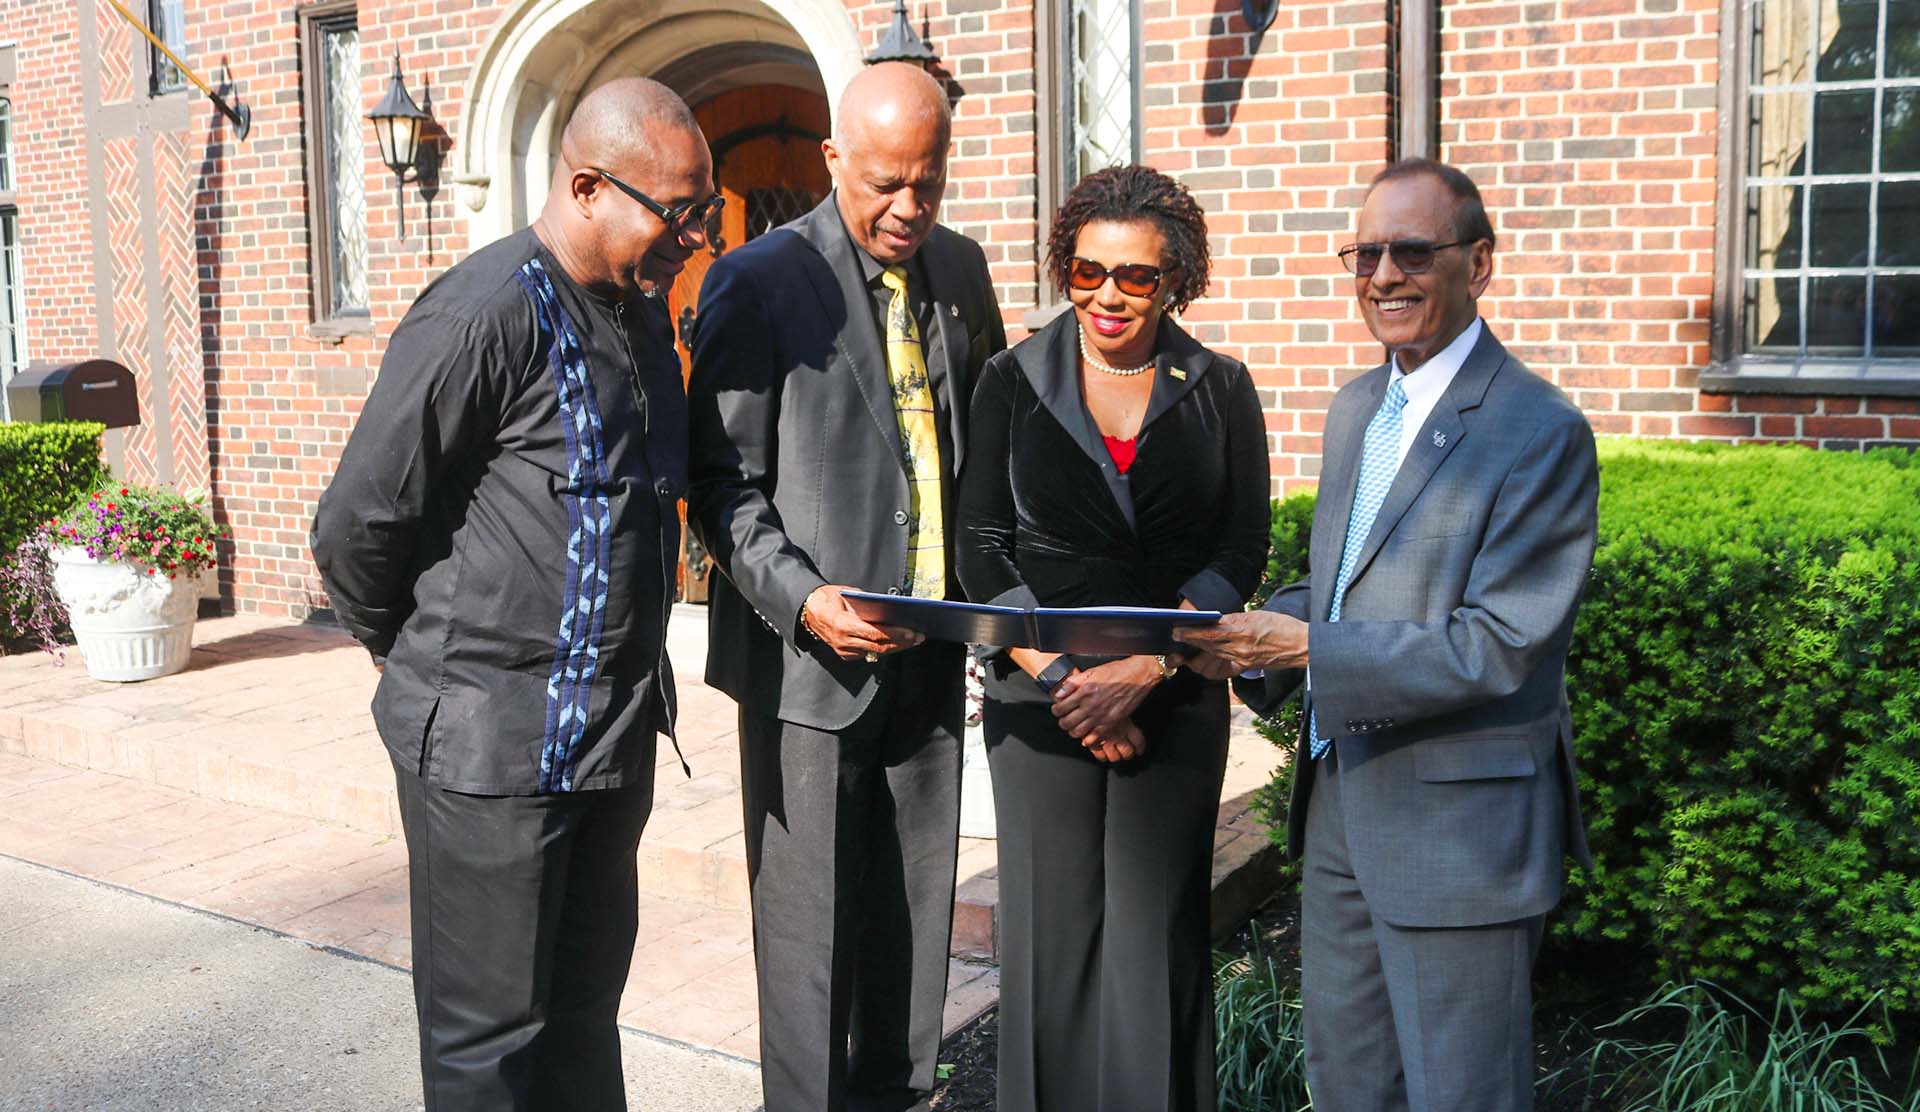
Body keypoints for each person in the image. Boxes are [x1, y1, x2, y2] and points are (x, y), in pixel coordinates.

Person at [310, 78, 717, 1111]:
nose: (695, 235)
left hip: (608, 744)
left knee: (582, 1020)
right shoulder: (483, 310)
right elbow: (358, 523)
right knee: (491, 1047)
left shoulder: (635, 316)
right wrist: (434, 665)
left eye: (703, 212)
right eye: (679, 212)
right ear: (586, 186)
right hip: (491, 758)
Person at [1176, 158, 1599, 1112]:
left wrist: (1306, 650)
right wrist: (1241, 631)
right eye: (1364, 253)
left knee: (1460, 1095)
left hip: (1460, 836)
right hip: (1340, 813)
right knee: (1349, 1086)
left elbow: (1498, 644)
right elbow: (1343, 587)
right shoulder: (1359, 408)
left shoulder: (1540, 429)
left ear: (1479, 264)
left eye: (1412, 250)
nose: (1383, 275)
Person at [685, 62, 1006, 1112]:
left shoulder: (961, 268)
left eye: (929, 180)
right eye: (883, 184)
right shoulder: (760, 279)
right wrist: (807, 597)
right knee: (812, 937)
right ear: (833, 160)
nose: (909, 207)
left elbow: (984, 455)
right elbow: (720, 483)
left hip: (931, 658)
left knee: (914, 921)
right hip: (805, 670)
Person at [954, 164, 1271, 1112]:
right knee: (1050, 943)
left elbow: (1239, 547)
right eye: (1088, 271)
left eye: (1135, 276)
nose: (1107, 296)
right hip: (1037, 697)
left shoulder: (1222, 388)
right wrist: (1064, 681)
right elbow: (980, 549)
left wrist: (1148, 667)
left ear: (1176, 279)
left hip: (1171, 699)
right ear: (1066, 268)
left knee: (1155, 939)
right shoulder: (1009, 380)